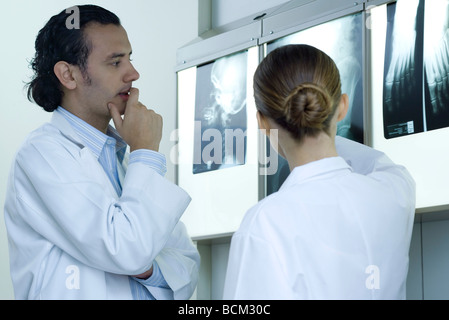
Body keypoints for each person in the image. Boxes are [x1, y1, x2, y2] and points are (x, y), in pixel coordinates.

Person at [4, 5, 199, 300]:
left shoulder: (123, 159)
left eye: (130, 59)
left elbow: (188, 265)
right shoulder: (42, 155)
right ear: (68, 75)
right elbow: (128, 249)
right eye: (115, 62)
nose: (133, 73)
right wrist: (145, 152)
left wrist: (148, 269)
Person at [223, 44, 416, 299]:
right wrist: (324, 125)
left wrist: (305, 122)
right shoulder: (394, 192)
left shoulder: (266, 222)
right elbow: (381, 163)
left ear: (261, 121)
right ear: (342, 107)